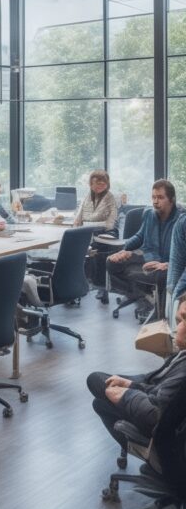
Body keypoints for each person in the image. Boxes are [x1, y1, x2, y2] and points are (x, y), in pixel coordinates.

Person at [87, 294, 186, 448]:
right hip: (155, 389)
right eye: (178, 321)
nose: (177, 328)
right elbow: (161, 389)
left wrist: (127, 395)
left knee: (99, 393)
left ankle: (149, 453)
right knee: (99, 384)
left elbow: (156, 415)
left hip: (162, 429)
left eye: (184, 320)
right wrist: (132, 386)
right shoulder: (182, 354)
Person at [107, 179, 179, 313]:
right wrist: (124, 249)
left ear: (171, 199)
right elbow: (140, 236)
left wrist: (169, 264)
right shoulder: (150, 214)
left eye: (160, 197)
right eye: (153, 197)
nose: (155, 201)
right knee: (111, 262)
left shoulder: (181, 220)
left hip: (166, 263)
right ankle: (143, 296)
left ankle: (148, 300)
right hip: (147, 256)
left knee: (162, 276)